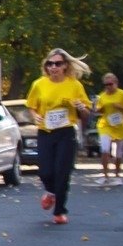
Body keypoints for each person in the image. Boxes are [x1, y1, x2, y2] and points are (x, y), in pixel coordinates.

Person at [26, 49, 91, 225]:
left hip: (66, 132)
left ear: (65, 66)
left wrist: (80, 107)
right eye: (50, 64)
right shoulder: (39, 84)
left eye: (58, 64)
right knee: (45, 170)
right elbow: (31, 106)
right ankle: (50, 191)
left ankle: (60, 211)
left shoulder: (74, 85)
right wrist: (35, 116)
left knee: (62, 172)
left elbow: (86, 113)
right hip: (45, 132)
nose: (53, 67)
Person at [92, 73, 123, 186]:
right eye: (106, 84)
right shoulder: (102, 96)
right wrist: (100, 109)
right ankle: (105, 176)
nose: (108, 86)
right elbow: (98, 111)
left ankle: (117, 176)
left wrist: (121, 107)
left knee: (118, 153)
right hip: (106, 125)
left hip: (121, 126)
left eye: (110, 84)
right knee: (104, 149)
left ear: (116, 83)